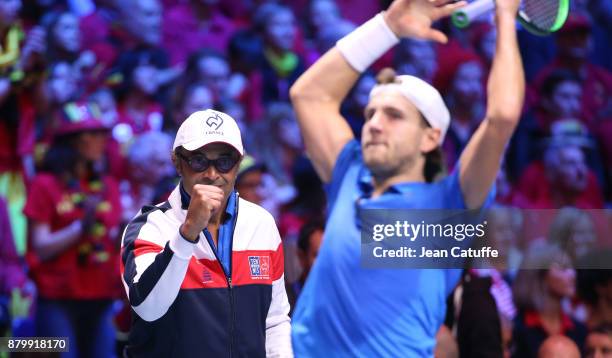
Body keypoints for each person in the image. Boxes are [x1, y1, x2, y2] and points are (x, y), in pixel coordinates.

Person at [289, 0, 525, 355]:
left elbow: (502, 117)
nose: (374, 125)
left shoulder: (450, 205)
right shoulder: (350, 176)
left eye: (393, 115)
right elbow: (309, 95)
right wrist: (388, 27)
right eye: (370, 114)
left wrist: (505, 18)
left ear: (431, 138)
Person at [120, 109, 292, 357]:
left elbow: (274, 320)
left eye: (224, 162)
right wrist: (187, 232)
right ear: (178, 162)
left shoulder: (261, 223)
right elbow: (148, 308)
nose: (212, 174)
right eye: (199, 161)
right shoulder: (149, 226)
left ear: (238, 163)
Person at [23, 101, 122, 358]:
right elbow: (41, 247)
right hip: (59, 297)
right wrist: (80, 227)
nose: (101, 140)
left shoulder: (108, 185)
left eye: (102, 134)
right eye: (92, 134)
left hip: (101, 295)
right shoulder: (44, 185)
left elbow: (112, 239)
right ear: (71, 142)